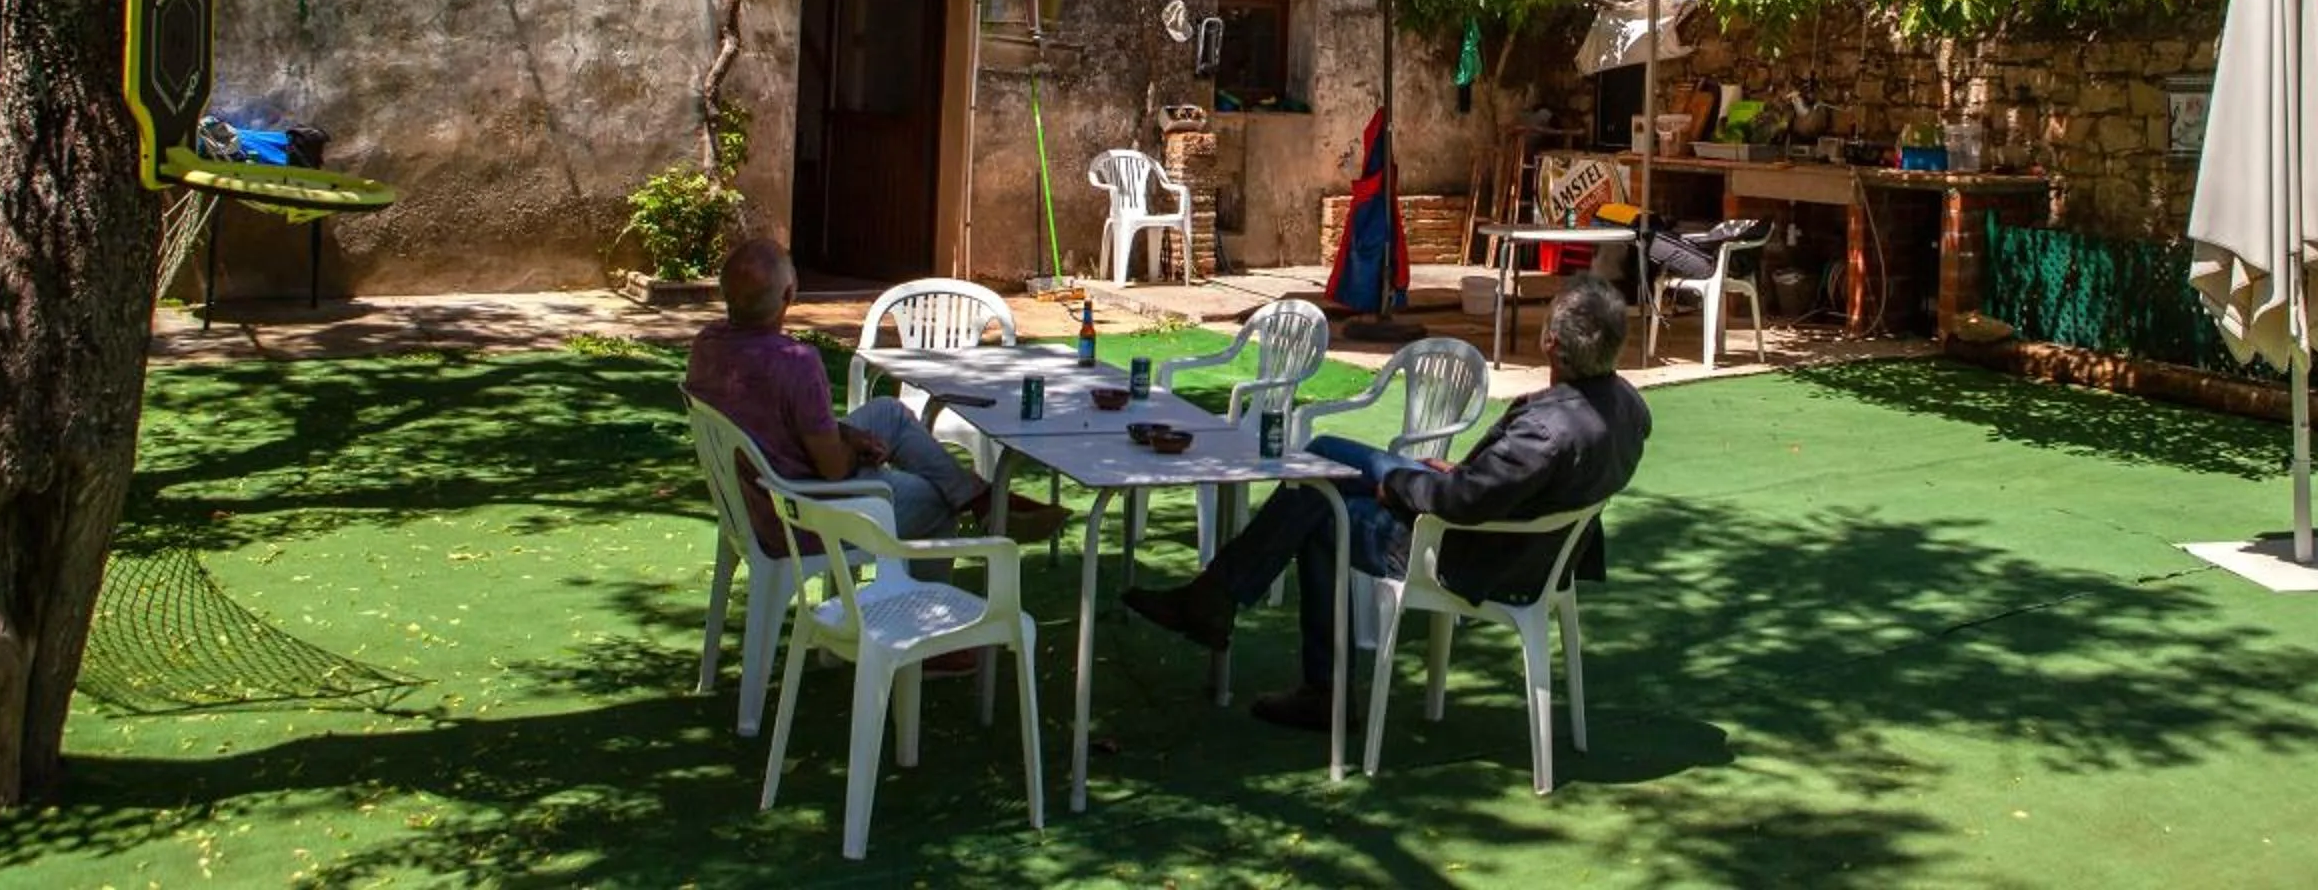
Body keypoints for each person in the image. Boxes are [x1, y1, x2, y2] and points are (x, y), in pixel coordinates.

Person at [1123, 276, 1651, 730]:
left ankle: (1310, 679)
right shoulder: (1627, 407)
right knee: (1325, 453)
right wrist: (1458, 474)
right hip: (1521, 539)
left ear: (1550, 343)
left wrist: (1399, 485)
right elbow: (1495, 487)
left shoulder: (1543, 432)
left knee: (1318, 505)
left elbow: (1459, 503)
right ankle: (1218, 597)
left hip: (1469, 554)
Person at [686, 237, 1069, 561]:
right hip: (804, 517)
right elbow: (834, 469)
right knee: (936, 503)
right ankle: (933, 633)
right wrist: (856, 450)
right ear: (789, 295)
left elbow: (774, 422)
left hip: (754, 502)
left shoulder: (707, 345)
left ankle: (980, 498)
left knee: (889, 411)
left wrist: (849, 435)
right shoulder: (795, 363)